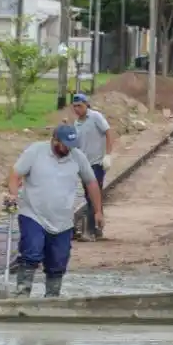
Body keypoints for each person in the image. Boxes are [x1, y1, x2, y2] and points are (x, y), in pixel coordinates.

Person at [5, 124, 104, 298]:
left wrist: (98, 211)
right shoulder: (36, 152)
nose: (68, 149)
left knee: (58, 261)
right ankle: (22, 293)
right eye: (65, 144)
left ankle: (52, 297)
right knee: (31, 252)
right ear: (54, 140)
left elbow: (91, 182)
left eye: (71, 145)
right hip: (33, 214)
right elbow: (15, 174)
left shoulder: (77, 157)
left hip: (63, 220)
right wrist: (13, 194)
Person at [72, 93, 114, 241]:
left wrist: (108, 154)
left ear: (86, 105)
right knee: (90, 196)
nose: (77, 109)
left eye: (80, 106)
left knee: (92, 196)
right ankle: (97, 228)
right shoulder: (76, 124)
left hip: (96, 163)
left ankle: (90, 231)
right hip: (84, 165)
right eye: (75, 106)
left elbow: (108, 132)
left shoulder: (95, 117)